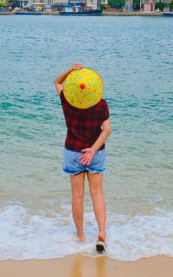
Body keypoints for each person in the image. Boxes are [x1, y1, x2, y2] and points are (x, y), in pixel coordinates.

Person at [54, 63, 111, 253]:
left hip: (73, 152)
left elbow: (57, 82)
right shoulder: (101, 104)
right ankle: (101, 233)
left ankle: (80, 235)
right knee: (97, 194)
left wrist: (69, 71)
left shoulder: (67, 100)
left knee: (77, 196)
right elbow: (107, 130)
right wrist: (93, 150)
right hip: (95, 153)